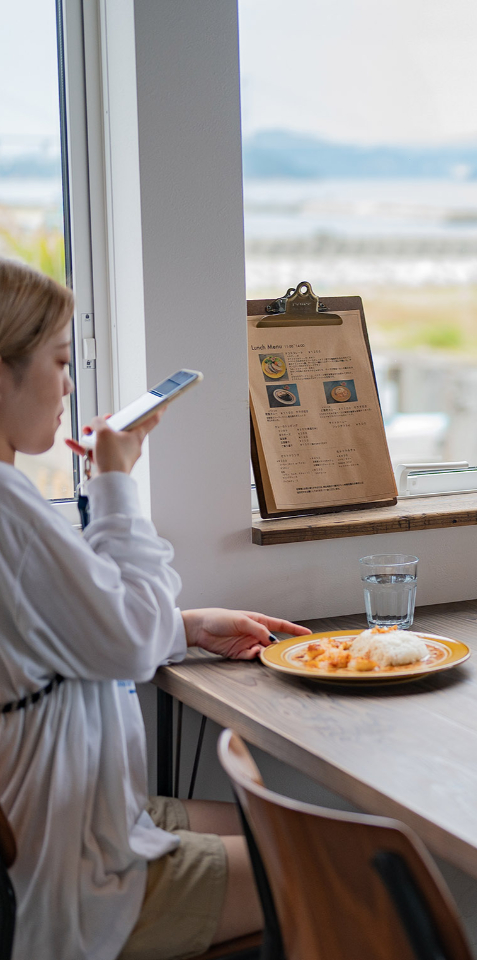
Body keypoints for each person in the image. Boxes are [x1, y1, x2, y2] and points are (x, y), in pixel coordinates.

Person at [0, 257, 310, 960]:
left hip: (78, 818)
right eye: (56, 360)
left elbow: (71, 630)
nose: (69, 383)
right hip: (80, 869)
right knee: (340, 867)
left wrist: (186, 626)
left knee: (273, 826)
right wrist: (114, 481)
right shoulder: (8, 508)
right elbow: (129, 642)